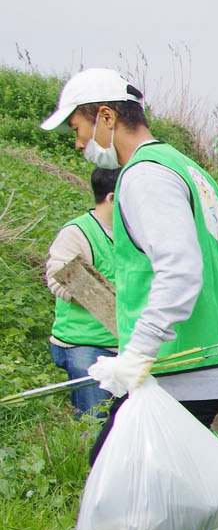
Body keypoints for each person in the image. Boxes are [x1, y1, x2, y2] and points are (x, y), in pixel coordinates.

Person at [39, 68, 218, 530]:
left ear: (105, 117)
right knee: (156, 476)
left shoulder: (143, 176)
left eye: (77, 130)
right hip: (209, 356)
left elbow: (180, 268)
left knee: (123, 474)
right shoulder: (189, 169)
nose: (78, 144)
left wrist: (139, 351)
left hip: (176, 364)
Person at [45, 166, 120, 420]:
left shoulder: (132, 234)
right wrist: (104, 300)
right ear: (112, 198)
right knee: (93, 423)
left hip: (125, 346)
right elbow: (59, 280)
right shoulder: (76, 233)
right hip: (84, 344)